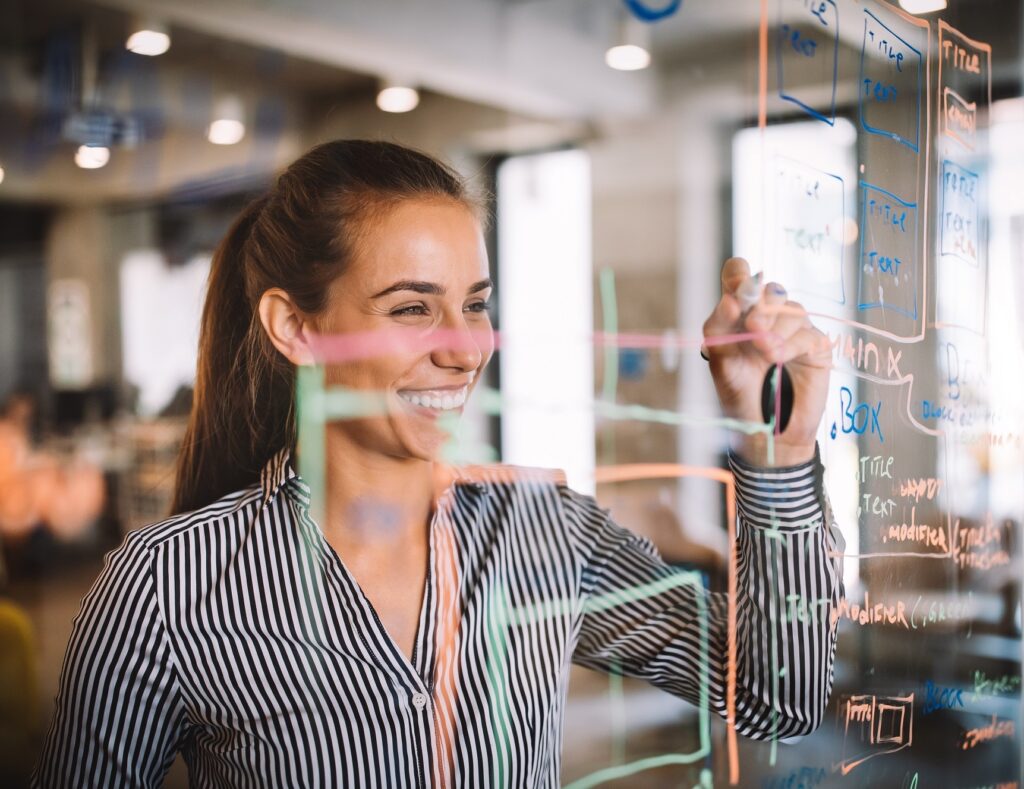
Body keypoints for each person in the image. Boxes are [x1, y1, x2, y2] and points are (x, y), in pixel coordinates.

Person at [34, 140, 843, 788]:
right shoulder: (164, 587)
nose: (464, 348)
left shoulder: (545, 534)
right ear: (295, 326)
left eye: (476, 303)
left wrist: (779, 449)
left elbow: (780, 696)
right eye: (413, 308)